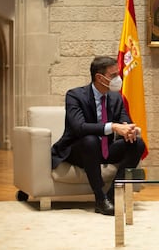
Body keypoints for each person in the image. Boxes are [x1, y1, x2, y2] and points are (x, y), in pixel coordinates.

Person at [51, 56, 145, 216]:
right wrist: (113, 127)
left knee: (138, 143)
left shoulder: (116, 98)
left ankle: (112, 195)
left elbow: (125, 120)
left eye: (118, 74)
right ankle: (100, 199)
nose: (118, 79)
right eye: (113, 75)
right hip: (78, 150)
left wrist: (130, 129)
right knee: (90, 140)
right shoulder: (75, 96)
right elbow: (79, 127)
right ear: (99, 78)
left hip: (104, 150)